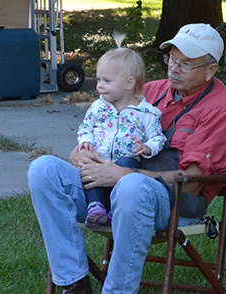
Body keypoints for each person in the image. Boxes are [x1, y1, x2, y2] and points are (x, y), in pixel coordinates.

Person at [28, 23, 226, 294]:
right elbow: (98, 128)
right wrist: (81, 155)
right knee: (43, 169)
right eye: (172, 59)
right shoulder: (149, 92)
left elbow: (190, 183)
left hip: (171, 204)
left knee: (131, 187)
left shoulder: (223, 110)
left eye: (186, 64)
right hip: (105, 196)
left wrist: (124, 175)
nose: (174, 69)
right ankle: (74, 283)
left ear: (211, 70)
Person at [75, 33, 166, 229]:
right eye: (98, 79)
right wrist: (85, 140)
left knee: (126, 170)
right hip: (100, 156)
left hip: (125, 160)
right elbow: (85, 126)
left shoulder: (146, 112)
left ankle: (115, 209)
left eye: (107, 80)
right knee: (90, 168)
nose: (99, 85)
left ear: (129, 83)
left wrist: (147, 148)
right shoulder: (98, 107)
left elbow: (158, 137)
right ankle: (95, 206)